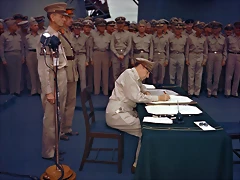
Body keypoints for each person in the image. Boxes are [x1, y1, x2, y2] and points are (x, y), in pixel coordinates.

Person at [106, 58, 170, 173]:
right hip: (117, 115)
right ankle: (138, 165)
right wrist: (159, 98)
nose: (147, 76)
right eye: (147, 73)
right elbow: (136, 97)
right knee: (145, 129)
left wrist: (145, 90)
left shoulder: (133, 75)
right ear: (141, 66)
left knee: (147, 123)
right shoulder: (129, 75)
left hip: (124, 111)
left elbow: (140, 87)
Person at [37, 2, 68, 160]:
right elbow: (43, 68)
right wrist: (48, 91)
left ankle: (55, 147)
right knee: (50, 119)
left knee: (58, 116)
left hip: (61, 76)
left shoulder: (57, 35)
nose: (64, 18)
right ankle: (48, 152)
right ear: (52, 17)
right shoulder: (46, 38)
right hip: (52, 79)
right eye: (61, 16)